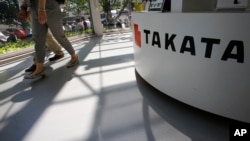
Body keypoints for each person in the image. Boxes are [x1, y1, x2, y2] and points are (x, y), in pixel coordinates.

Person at [21, 0, 78, 79]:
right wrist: (24, 8)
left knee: (59, 36)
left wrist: (41, 9)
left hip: (50, 7)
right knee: (38, 39)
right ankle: (39, 68)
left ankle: (74, 56)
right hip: (34, 9)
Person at [18, 0, 64, 72]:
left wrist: (27, 9)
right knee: (45, 34)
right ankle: (58, 51)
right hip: (32, 9)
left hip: (34, 9)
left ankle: (37, 63)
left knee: (40, 35)